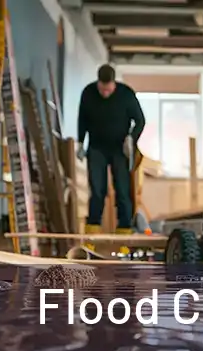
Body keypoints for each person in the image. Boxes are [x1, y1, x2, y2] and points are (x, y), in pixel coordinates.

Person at [76, 64, 146, 236]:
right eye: (102, 89)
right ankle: (92, 232)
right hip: (96, 148)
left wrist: (131, 138)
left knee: (122, 191)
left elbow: (140, 120)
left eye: (108, 90)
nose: (105, 94)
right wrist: (79, 142)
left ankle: (124, 233)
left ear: (114, 84)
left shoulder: (126, 94)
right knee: (97, 191)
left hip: (119, 150)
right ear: (98, 83)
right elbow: (82, 119)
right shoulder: (88, 93)